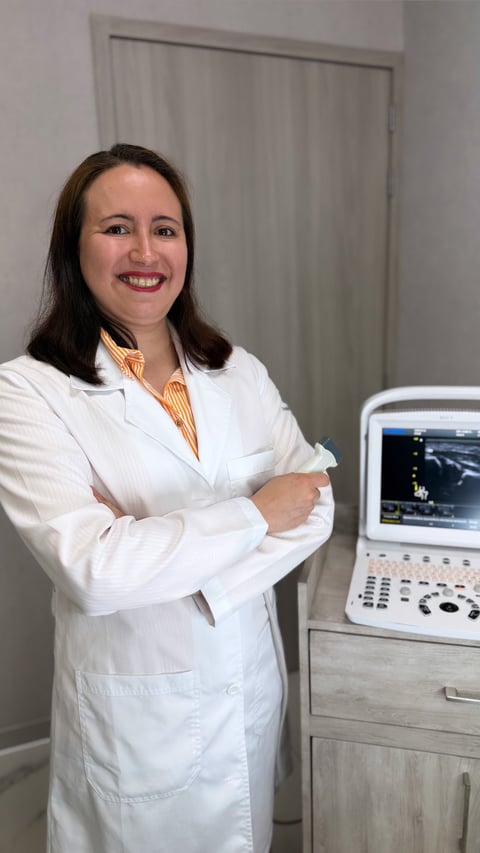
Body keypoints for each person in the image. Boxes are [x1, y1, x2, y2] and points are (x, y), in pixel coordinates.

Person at [0, 143, 334, 853]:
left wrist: (175, 562)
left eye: (166, 228)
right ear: (74, 248)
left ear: (186, 246)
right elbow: (95, 572)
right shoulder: (28, 392)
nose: (145, 251)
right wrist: (256, 511)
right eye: (117, 227)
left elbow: (318, 499)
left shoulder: (236, 370)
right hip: (136, 720)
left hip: (247, 687)